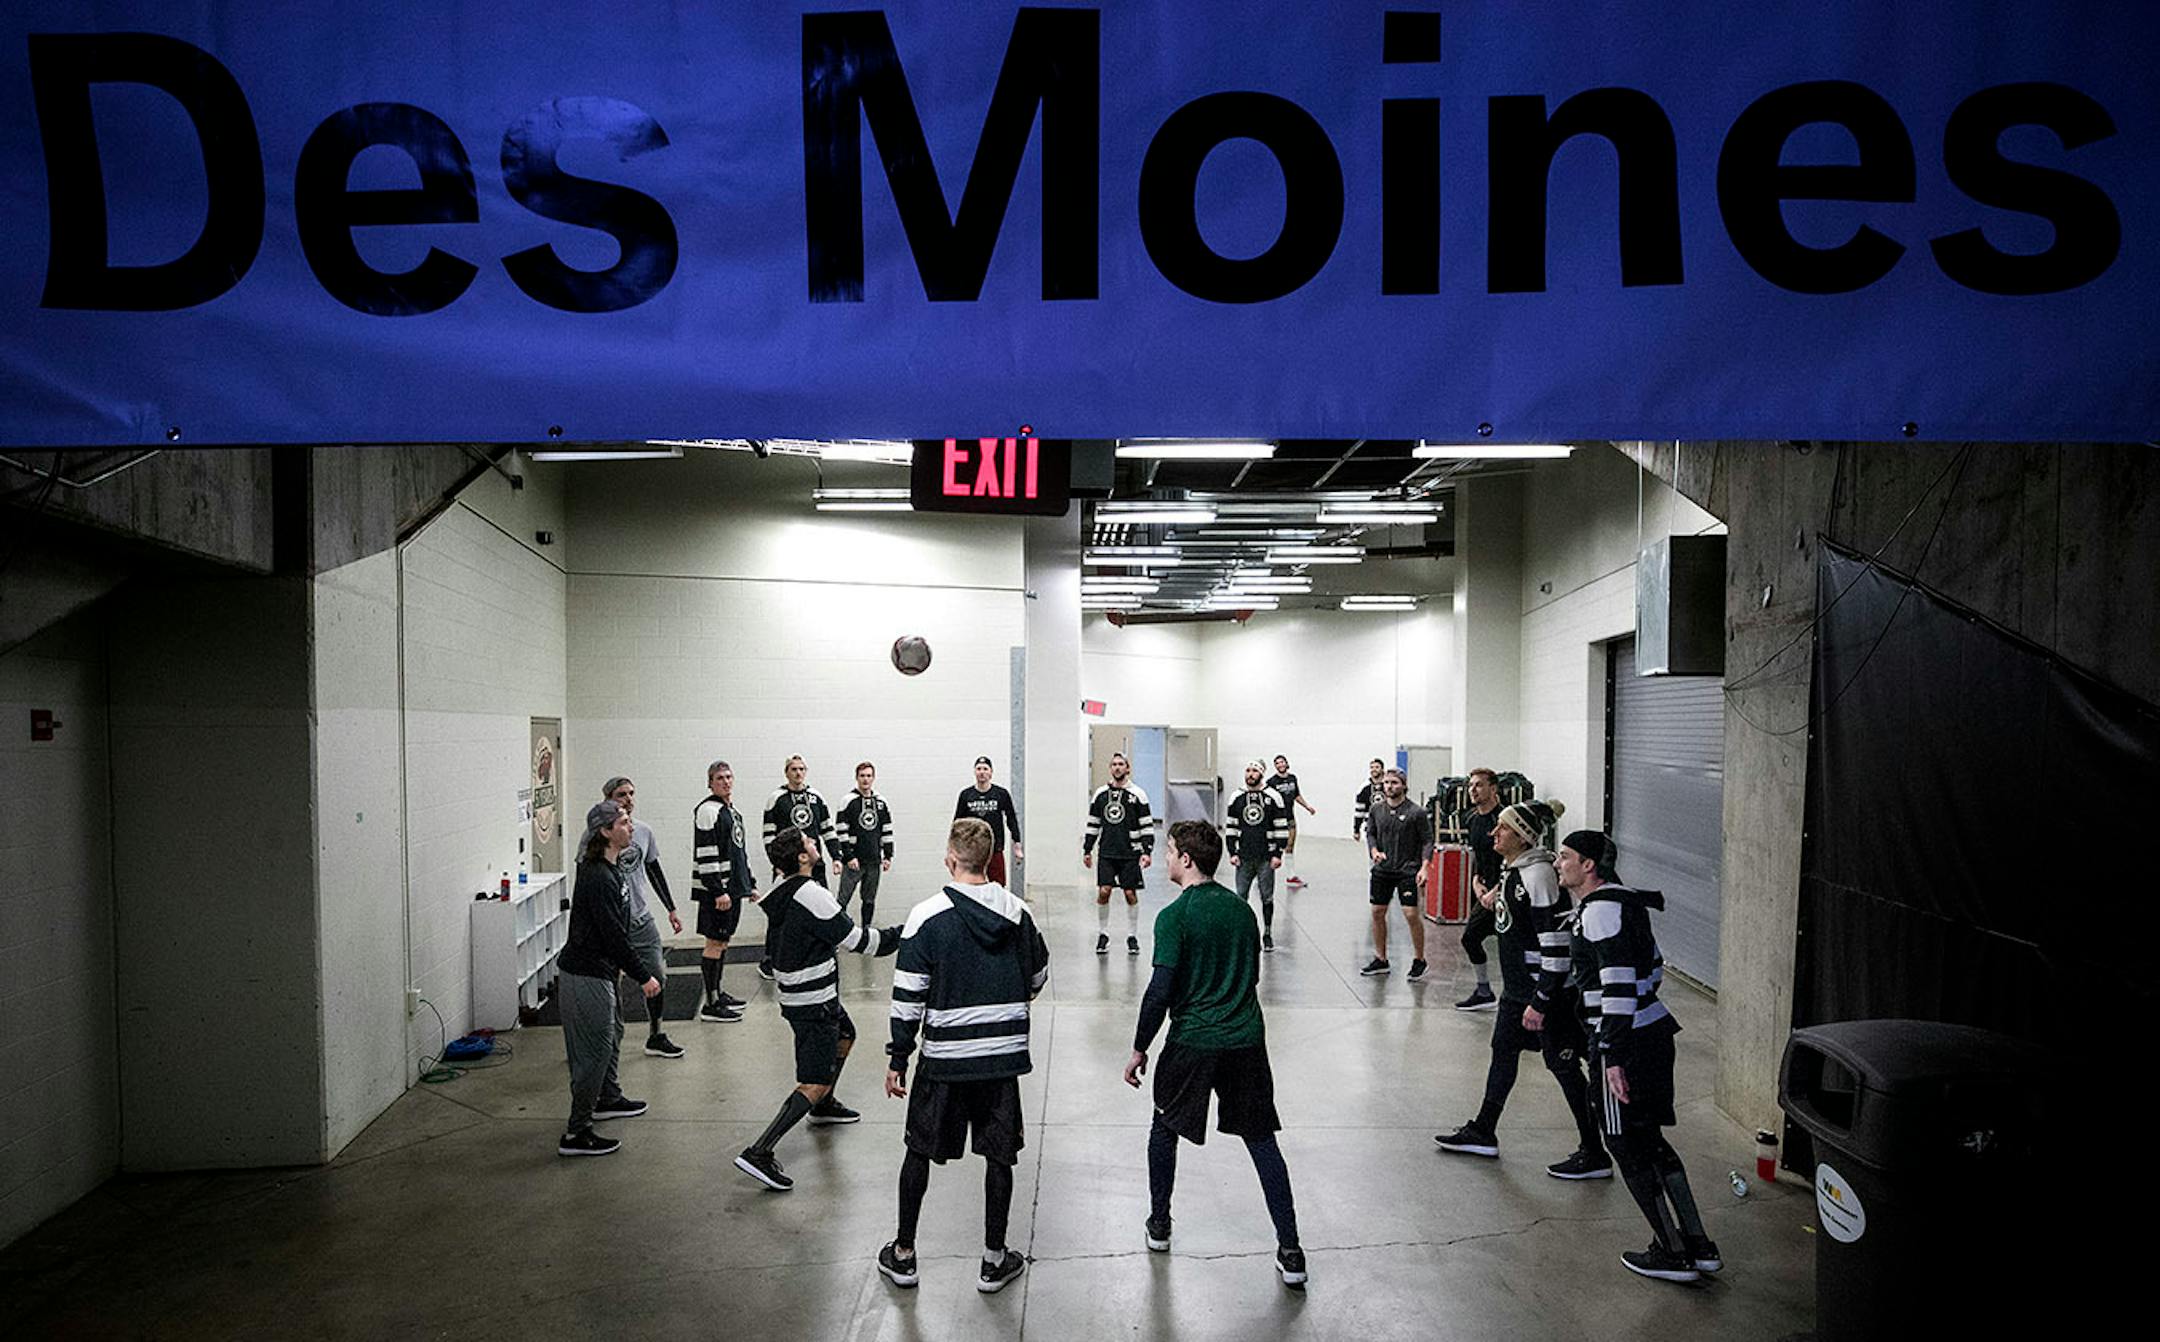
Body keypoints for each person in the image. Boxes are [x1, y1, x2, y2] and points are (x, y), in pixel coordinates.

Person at [1125, 819, 1307, 1292]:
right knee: (1262, 1140)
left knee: (1164, 1127)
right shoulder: (1243, 912)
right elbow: (1251, 976)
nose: (1165, 859)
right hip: (1245, 1039)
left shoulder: (1174, 916)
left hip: (1193, 1041)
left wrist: (1140, 1047)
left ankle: (1159, 1223)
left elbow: (1160, 991)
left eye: (1169, 851)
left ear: (1186, 859)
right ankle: (1291, 1250)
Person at [877, 818, 1051, 1296]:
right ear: (991, 860)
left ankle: (904, 1255)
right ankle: (994, 1260)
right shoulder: (1017, 912)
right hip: (1000, 1059)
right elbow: (1038, 975)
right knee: (1000, 1156)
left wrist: (898, 1058)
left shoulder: (926, 916)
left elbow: (908, 997)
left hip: (944, 1060)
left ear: (951, 859)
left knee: (919, 1150)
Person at [1556, 829, 1721, 1283]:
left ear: (1588, 865)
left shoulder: (1600, 912)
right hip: (1652, 1033)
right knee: (1649, 1139)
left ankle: (1671, 1252)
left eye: (1565, 856)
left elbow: (1618, 986)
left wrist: (1611, 1054)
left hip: (1623, 1042)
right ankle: (1698, 1245)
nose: (1558, 863)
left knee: (1625, 1144)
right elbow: (1654, 968)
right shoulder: (1626, 904)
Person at [1434, 801, 1610, 1180]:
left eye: (1503, 827)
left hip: (1544, 994)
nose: (1494, 833)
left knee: (1564, 1067)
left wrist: (1542, 1000)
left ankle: (1595, 1152)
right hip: (1517, 992)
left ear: (1523, 836)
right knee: (1503, 1052)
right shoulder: (1517, 871)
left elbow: (1556, 945)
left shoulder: (1539, 875)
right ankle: (1484, 1130)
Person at [733, 826, 901, 1192]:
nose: (815, 843)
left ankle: (823, 1106)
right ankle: (759, 1151)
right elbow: (858, 941)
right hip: (813, 1001)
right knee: (813, 1080)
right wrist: (906, 932)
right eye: (809, 842)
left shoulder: (783, 888)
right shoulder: (811, 894)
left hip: (803, 995)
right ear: (802, 857)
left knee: (846, 1034)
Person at [557, 801, 663, 1157]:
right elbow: (613, 935)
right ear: (605, 832)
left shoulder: (611, 869)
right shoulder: (598, 876)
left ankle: (607, 1098)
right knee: (593, 1052)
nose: (631, 827)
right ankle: (577, 1133)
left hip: (602, 971)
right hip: (585, 974)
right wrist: (643, 976)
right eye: (624, 823)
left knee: (612, 1035)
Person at [603, 776, 686, 1059]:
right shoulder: (596, 836)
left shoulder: (643, 832)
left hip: (640, 919)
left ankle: (656, 1034)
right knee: (609, 981)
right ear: (608, 800)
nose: (628, 799)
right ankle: (608, 1037)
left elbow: (654, 870)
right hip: (612, 922)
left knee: (657, 975)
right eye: (621, 794)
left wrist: (671, 908)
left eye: (631, 793)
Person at [760, 756, 839, 981]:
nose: (798, 773)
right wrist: (777, 864)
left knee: (821, 906)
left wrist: (836, 856)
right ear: (786, 772)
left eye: (802, 769)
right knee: (780, 913)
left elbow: (827, 829)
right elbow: (768, 835)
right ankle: (769, 959)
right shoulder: (776, 798)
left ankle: (824, 949)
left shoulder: (816, 797)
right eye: (793, 769)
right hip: (786, 867)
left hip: (813, 865)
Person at [690, 760, 753, 1023]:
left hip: (733, 889)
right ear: (710, 783)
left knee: (723, 941)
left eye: (728, 777)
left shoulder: (732, 812)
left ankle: (718, 992)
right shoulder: (708, 810)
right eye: (719, 778)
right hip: (718, 892)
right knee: (714, 943)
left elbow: (738, 852)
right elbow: (706, 853)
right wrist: (717, 890)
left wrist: (749, 883)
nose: (725, 782)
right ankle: (711, 1003)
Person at [1360, 769, 1432, 979]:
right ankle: (1381, 959)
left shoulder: (1416, 812)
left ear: (1404, 785)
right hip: (1382, 870)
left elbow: (1428, 840)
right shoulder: (1376, 809)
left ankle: (1419, 959)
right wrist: (1374, 851)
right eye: (1386, 783)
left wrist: (1424, 867)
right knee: (1377, 912)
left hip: (1407, 870)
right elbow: (1371, 833)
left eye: (1394, 783)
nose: (1389, 786)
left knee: (1411, 914)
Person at [1083, 751, 1154, 956]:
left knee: (1130, 893)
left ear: (1127, 768)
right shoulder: (1101, 794)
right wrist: (1087, 849)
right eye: (1114, 764)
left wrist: (1147, 851)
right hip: (1107, 852)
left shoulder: (1138, 794)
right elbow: (1093, 823)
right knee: (1104, 891)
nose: (1117, 767)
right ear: (1110, 768)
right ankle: (1103, 934)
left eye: (1121, 764)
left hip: (1130, 853)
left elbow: (1146, 825)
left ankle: (1132, 936)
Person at [1222, 760, 1289, 952]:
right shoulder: (1237, 797)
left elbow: (1280, 825)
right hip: (1244, 857)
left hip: (1266, 857)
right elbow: (1231, 826)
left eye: (1254, 771)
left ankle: (1267, 933)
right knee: (1240, 896)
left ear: (1261, 774)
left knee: (1267, 896)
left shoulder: (1273, 796)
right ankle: (1240, 933)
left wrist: (1278, 853)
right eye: (1248, 770)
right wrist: (1232, 851)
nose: (1250, 774)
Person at [1455, 768, 1503, 1011]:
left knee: (1512, 947)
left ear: (1493, 789)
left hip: (1508, 893)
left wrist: (1498, 890)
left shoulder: (1505, 820)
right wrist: (1476, 880)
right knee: (1470, 938)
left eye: (1479, 785)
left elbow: (1516, 861)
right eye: (1471, 786)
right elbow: (1478, 856)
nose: (1473, 790)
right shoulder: (1472, 819)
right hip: (1485, 893)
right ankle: (1484, 991)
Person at [835, 761, 894, 926]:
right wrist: (848, 856)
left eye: (869, 776)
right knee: (842, 899)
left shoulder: (881, 802)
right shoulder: (848, 801)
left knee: (869, 899)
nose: (865, 779)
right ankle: (838, 932)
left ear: (873, 778)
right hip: (854, 860)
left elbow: (887, 829)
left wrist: (888, 855)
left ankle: (866, 930)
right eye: (862, 776)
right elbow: (841, 830)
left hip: (873, 860)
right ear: (856, 778)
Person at [954, 756, 1024, 886]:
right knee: (971, 885)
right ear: (975, 772)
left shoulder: (1001, 794)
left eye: (985, 769)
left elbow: (1011, 819)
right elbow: (957, 824)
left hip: (994, 848)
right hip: (973, 850)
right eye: (979, 769)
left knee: (997, 885)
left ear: (991, 773)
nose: (982, 772)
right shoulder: (966, 795)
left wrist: (1017, 844)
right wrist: (954, 849)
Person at [1268, 755, 1316, 887]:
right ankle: (1263, 874)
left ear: (1286, 763)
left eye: (1282, 762)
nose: (1280, 765)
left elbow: (1296, 795)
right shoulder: (1271, 782)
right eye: (1277, 763)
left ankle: (1291, 876)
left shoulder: (1292, 778)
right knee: (1272, 846)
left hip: (1290, 818)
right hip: (1276, 819)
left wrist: (1307, 807)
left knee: (1289, 846)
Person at [1351, 758, 1385, 841]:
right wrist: (1356, 830)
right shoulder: (1364, 788)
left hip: (1387, 826)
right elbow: (1359, 811)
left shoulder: (1389, 786)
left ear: (1382, 769)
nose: (1374, 769)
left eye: (1377, 767)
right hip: (1371, 826)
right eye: (1372, 767)